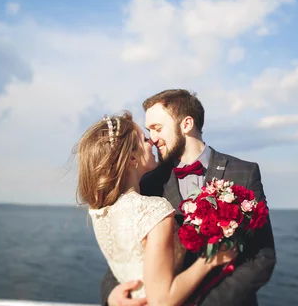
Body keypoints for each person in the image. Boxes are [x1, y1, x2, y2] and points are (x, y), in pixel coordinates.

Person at [100, 89, 276, 306]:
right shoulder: (149, 182)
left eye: (157, 129)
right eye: (148, 131)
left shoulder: (243, 172)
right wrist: (111, 293)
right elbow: (127, 249)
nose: (152, 139)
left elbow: (262, 256)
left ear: (186, 124)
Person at [76, 111, 238, 306]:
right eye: (144, 139)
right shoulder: (153, 209)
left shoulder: (99, 211)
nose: (151, 142)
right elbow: (162, 301)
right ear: (132, 159)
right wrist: (209, 261)